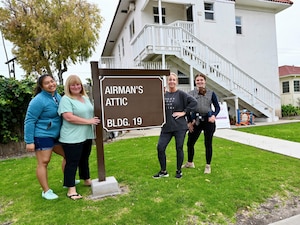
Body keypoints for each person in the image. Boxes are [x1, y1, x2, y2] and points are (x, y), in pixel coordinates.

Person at [58, 75, 100, 200]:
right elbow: (68, 117)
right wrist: (89, 121)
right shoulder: (66, 99)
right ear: (68, 87)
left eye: (78, 84)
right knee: (72, 162)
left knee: (84, 159)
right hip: (72, 137)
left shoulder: (84, 98)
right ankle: (71, 190)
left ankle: (86, 179)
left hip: (86, 135)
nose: (76, 87)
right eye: (73, 85)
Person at [24, 74, 65, 200]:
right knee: (44, 161)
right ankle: (46, 191)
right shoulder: (38, 100)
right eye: (47, 83)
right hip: (42, 134)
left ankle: (68, 181)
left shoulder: (57, 96)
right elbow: (29, 120)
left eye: (52, 81)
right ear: (41, 86)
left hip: (56, 134)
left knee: (69, 156)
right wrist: (29, 141)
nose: (51, 84)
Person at [153, 72, 197, 179]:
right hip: (166, 127)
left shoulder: (181, 94)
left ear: (176, 82)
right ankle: (163, 171)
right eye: (170, 80)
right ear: (167, 82)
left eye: (173, 79)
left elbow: (194, 102)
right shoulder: (164, 94)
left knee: (179, 148)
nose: (171, 81)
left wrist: (184, 112)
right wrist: (159, 94)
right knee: (160, 147)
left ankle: (179, 170)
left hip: (179, 127)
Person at [182, 73, 220, 174]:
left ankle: (208, 165)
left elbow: (217, 107)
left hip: (208, 121)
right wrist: (189, 122)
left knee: (208, 143)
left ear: (205, 81)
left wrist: (214, 116)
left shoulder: (211, 93)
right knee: (190, 143)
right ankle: (190, 163)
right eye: (198, 80)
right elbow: (187, 109)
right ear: (195, 82)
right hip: (196, 121)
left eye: (201, 80)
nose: (200, 82)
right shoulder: (190, 94)